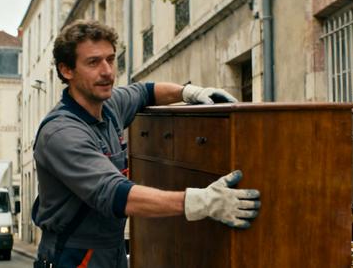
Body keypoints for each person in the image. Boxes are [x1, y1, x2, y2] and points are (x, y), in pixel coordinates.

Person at [32, 20, 261, 268]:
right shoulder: (62, 133)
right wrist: (203, 202)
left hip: (112, 251)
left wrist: (188, 92)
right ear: (67, 70)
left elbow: (146, 91)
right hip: (73, 256)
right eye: (93, 62)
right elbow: (117, 195)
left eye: (111, 59)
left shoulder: (109, 106)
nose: (108, 71)